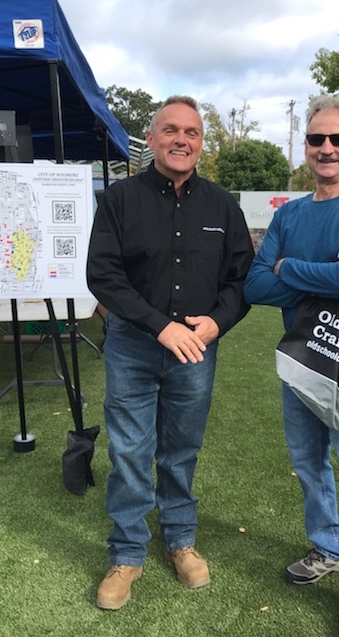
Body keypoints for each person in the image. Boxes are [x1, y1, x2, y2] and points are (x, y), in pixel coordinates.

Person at [244, 95, 339, 637]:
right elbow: (257, 287)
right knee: (309, 466)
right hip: (299, 357)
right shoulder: (289, 214)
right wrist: (325, 275)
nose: (326, 149)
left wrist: (290, 268)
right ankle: (327, 547)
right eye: (316, 140)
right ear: (305, 148)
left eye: (337, 139)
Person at [87, 95, 254, 610]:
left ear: (201, 143)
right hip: (135, 346)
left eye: (193, 133)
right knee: (130, 452)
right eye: (171, 131)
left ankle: (180, 539)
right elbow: (104, 275)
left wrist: (216, 323)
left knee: (181, 449)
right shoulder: (120, 200)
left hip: (196, 350)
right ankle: (127, 553)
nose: (182, 140)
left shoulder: (223, 205)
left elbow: (242, 278)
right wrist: (159, 326)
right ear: (153, 139)